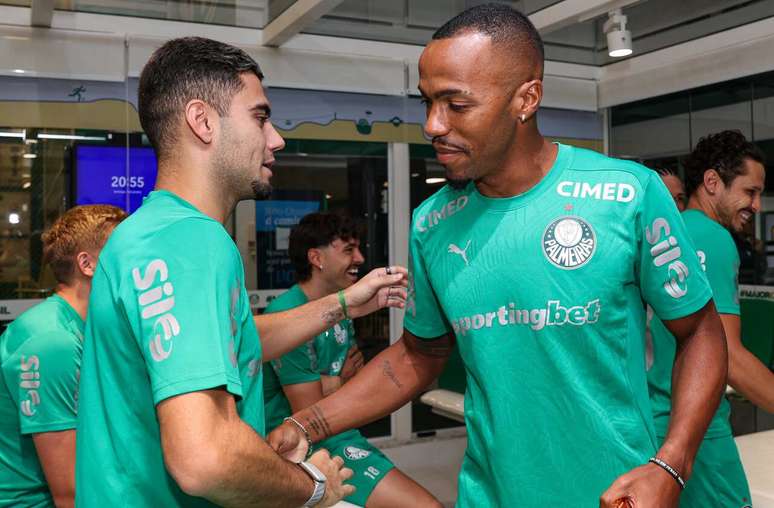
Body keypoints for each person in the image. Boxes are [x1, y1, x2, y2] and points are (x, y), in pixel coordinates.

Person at [269, 4, 728, 507]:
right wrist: (307, 423)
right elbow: (418, 355)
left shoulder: (627, 195)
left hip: (616, 495)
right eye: (426, 103)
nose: (432, 125)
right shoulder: (432, 223)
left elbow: (701, 331)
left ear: (526, 98)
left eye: (455, 105)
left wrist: (671, 464)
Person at [75, 37, 407, 507]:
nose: (276, 139)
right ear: (203, 121)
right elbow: (205, 458)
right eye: (260, 116)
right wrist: (313, 486)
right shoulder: (191, 243)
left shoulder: (148, 233)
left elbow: (235, 340)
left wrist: (344, 305)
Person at [264, 212, 442, 508]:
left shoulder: (343, 311)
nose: (360, 258)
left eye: (359, 248)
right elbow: (307, 408)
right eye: (348, 250)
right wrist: (340, 380)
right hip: (298, 445)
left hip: (339, 432)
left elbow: (354, 379)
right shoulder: (288, 315)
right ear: (316, 258)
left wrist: (335, 382)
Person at [647, 130, 774, 508]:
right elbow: (728, 356)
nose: (756, 204)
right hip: (697, 429)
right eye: (749, 192)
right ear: (713, 182)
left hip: (653, 425)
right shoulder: (713, 240)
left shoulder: (672, 233)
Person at [0, 204, 126, 507]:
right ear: (88, 264)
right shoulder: (52, 343)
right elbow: (69, 493)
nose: (137, 266)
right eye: (124, 253)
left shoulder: (77, 327)